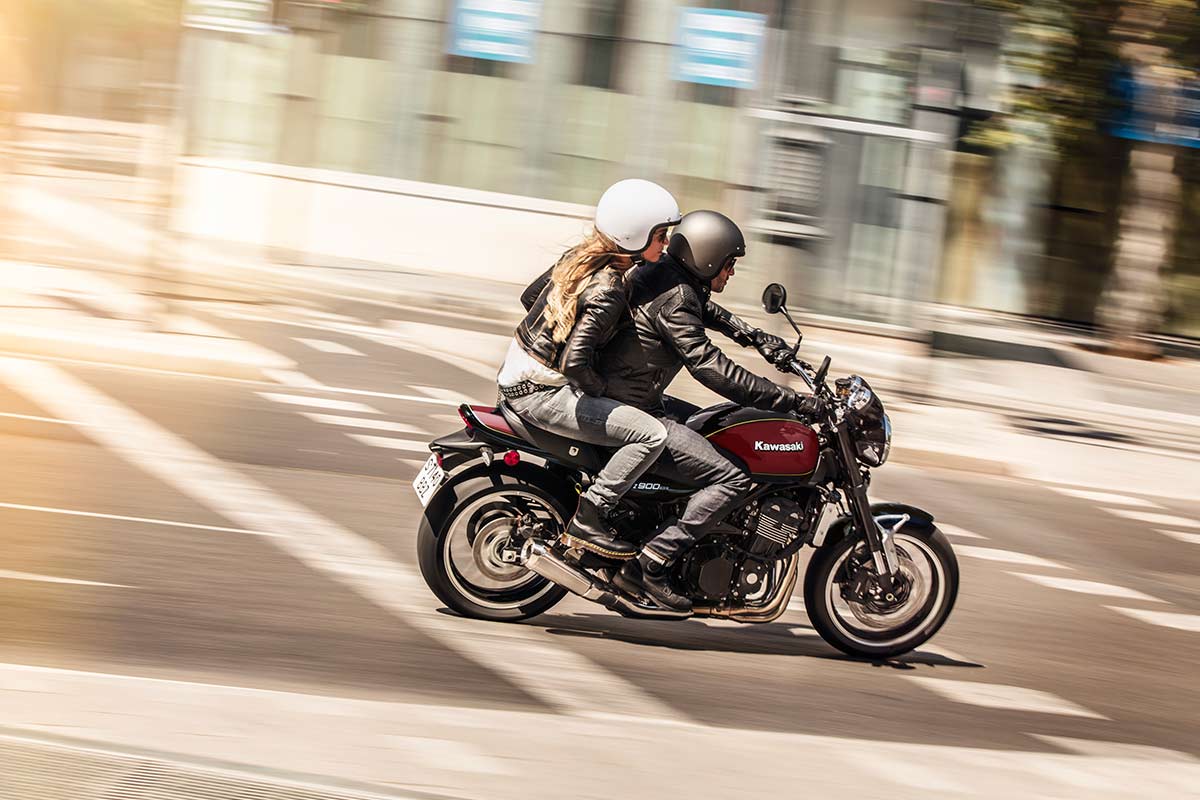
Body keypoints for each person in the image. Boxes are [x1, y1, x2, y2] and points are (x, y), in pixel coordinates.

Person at [601, 210, 821, 611]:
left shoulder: (670, 277)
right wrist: (789, 400)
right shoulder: (676, 296)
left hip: (632, 392)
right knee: (732, 477)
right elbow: (710, 368)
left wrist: (754, 337)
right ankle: (650, 561)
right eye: (729, 263)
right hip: (634, 406)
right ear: (706, 258)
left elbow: (707, 310)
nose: (731, 272)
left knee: (713, 427)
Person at [498, 179, 681, 559]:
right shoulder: (611, 286)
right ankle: (591, 514)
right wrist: (603, 387)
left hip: (514, 378)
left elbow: (531, 296)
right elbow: (575, 363)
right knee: (650, 434)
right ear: (634, 235)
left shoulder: (579, 256)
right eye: (661, 236)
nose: (665, 245)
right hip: (540, 395)